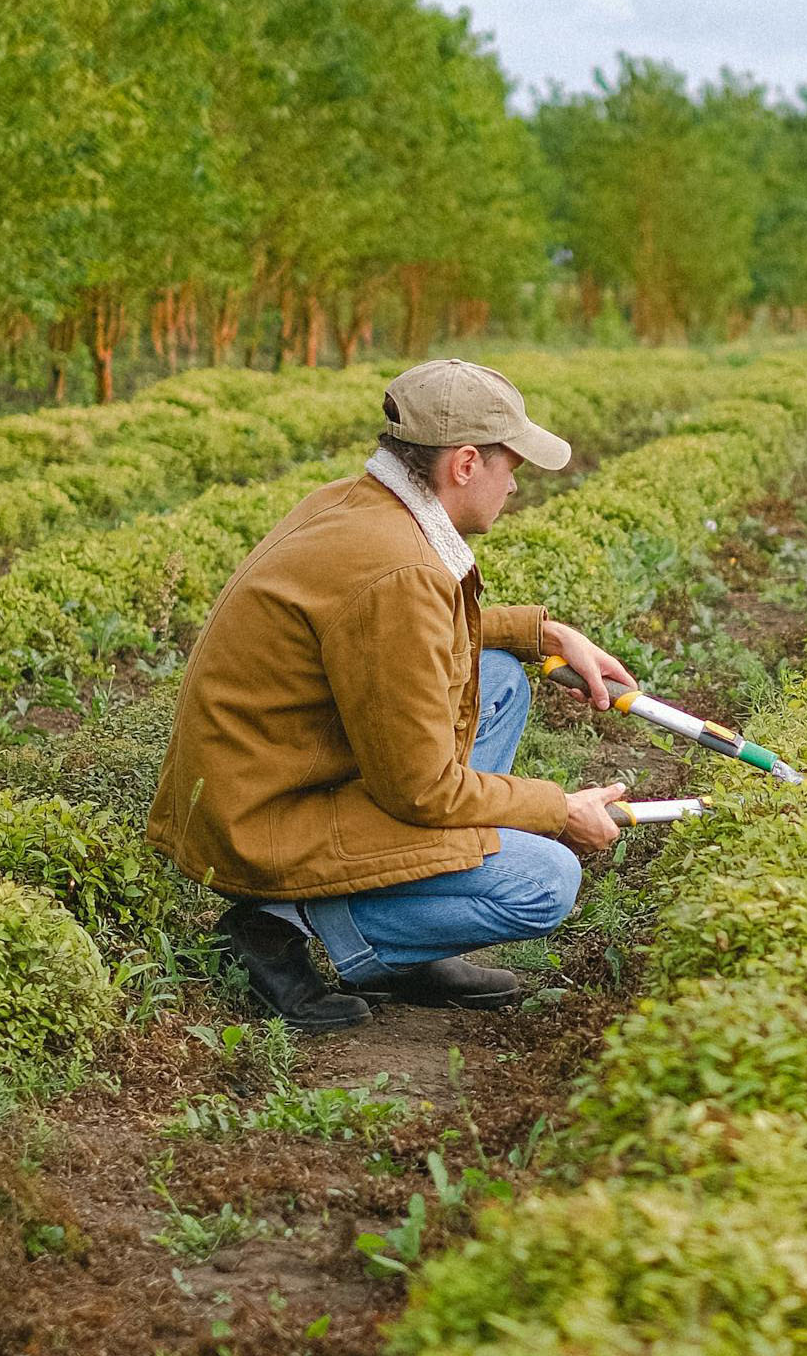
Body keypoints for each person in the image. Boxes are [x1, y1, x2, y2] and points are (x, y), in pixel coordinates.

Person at [147, 358, 633, 1030]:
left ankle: (401, 937)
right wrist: (556, 808)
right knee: (546, 879)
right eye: (511, 465)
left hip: (270, 777)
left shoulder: (359, 505)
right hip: (263, 822)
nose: (515, 485)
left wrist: (542, 631)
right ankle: (275, 926)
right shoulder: (399, 568)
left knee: (495, 680)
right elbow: (423, 790)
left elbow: (402, 633)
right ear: (465, 464)